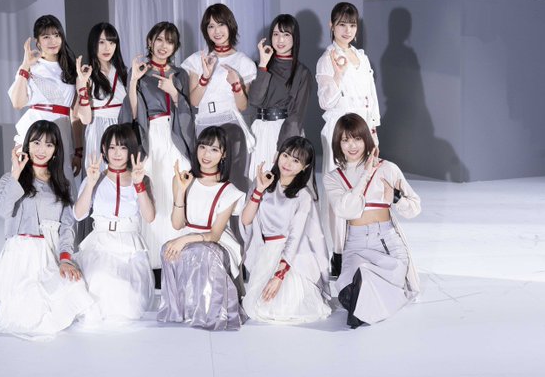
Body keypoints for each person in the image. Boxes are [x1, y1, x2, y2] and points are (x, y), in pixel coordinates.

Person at [0, 120, 92, 340]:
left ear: (56, 150)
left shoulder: (61, 184)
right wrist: (16, 173)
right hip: (21, 256)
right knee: (31, 316)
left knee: (76, 290)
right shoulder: (10, 179)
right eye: (36, 143)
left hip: (50, 254)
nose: (41, 150)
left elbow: (67, 226)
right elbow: (0, 211)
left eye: (49, 145)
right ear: (27, 145)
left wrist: (65, 259)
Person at [323, 113, 420, 328]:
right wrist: (365, 174)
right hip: (356, 246)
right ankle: (362, 306)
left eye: (357, 138)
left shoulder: (388, 168)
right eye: (345, 140)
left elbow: (414, 208)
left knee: (370, 284)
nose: (352, 146)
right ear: (338, 143)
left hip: (387, 244)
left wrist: (395, 197)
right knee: (349, 285)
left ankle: (359, 309)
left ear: (366, 139)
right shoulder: (333, 178)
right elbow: (345, 210)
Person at [118, 22, 194, 282]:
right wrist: (134, 81)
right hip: (150, 137)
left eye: (169, 41)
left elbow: (187, 113)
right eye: (159, 39)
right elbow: (131, 113)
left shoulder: (180, 74)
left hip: (175, 137)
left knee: (174, 193)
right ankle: (152, 265)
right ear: (150, 41)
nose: (164, 46)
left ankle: (177, 259)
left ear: (175, 46)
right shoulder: (139, 71)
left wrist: (175, 94)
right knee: (152, 196)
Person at [157, 126, 246, 330]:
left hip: (218, 243)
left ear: (224, 154)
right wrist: (181, 191)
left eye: (214, 149)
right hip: (189, 235)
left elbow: (214, 235)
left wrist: (183, 240)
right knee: (167, 250)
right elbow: (177, 224)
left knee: (201, 252)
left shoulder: (229, 190)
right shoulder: (183, 179)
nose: (206, 154)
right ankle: (182, 310)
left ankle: (210, 311)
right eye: (203, 147)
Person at [315, 2, 381, 275]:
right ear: (331, 26)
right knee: (339, 191)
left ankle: (361, 246)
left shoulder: (361, 57)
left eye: (352, 25)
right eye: (341, 24)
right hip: (339, 129)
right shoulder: (327, 58)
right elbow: (325, 101)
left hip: (363, 129)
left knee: (364, 186)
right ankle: (339, 252)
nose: (347, 30)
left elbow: (371, 97)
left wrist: (373, 130)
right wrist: (338, 75)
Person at [72, 124, 155, 327]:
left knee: (129, 303)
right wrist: (90, 183)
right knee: (99, 283)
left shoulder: (141, 179)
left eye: (123, 147)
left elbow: (149, 216)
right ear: (104, 149)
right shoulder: (95, 178)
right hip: (100, 244)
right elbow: (78, 214)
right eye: (112, 147)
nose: (117, 153)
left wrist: (139, 185)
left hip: (129, 247)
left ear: (131, 150)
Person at [241, 136, 331, 324]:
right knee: (256, 306)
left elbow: (295, 237)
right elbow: (246, 219)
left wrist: (279, 275)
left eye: (296, 160)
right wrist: (259, 190)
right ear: (278, 155)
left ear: (305, 167)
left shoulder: (303, 195)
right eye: (285, 155)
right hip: (266, 252)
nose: (288, 163)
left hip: (293, 257)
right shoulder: (262, 182)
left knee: (281, 307)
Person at [8, 15, 87, 197]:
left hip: (62, 132)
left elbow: (75, 115)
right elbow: (17, 103)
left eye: (56, 35)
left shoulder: (70, 69)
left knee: (61, 189)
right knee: (30, 186)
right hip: (34, 131)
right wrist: (25, 66)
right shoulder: (32, 67)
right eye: (46, 37)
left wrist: (78, 151)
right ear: (38, 42)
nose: (52, 41)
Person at [181, 3, 257, 192]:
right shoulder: (197, 59)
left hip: (231, 124)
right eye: (211, 26)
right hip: (204, 124)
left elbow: (242, 106)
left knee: (232, 181)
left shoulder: (243, 62)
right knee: (205, 182)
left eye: (221, 24)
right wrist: (205, 77)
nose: (216, 31)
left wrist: (236, 85)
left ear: (230, 25)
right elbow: (194, 101)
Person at [248, 14, 312, 180]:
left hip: (284, 132)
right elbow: (254, 100)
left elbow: (296, 115)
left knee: (282, 184)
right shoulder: (260, 65)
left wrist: (284, 148)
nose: (280, 39)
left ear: (294, 38)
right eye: (276, 34)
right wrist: (263, 64)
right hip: (259, 131)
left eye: (286, 34)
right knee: (257, 184)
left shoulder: (302, 72)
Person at [75, 22, 128, 168]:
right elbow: (85, 119)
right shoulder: (86, 75)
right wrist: (83, 84)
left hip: (122, 128)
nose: (107, 48)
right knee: (98, 174)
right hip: (97, 129)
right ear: (93, 44)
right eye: (101, 42)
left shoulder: (124, 73)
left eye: (111, 42)